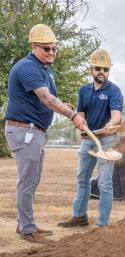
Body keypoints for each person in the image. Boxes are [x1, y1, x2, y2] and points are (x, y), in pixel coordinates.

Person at [4, 24, 87, 243]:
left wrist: (65, 106)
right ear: (33, 46)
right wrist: (72, 115)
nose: (51, 52)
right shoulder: (27, 67)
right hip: (25, 130)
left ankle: (25, 225)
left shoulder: (44, 69)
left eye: (54, 49)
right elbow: (46, 98)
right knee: (27, 181)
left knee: (32, 180)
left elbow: (50, 99)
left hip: (34, 131)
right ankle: (28, 230)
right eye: (46, 48)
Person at [59, 49, 123, 228]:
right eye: (98, 68)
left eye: (105, 69)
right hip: (88, 139)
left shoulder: (114, 90)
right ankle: (79, 216)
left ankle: (103, 224)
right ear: (91, 69)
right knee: (82, 179)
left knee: (104, 183)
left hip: (107, 139)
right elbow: (80, 114)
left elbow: (116, 114)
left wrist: (111, 124)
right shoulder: (84, 91)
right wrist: (79, 123)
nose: (102, 72)